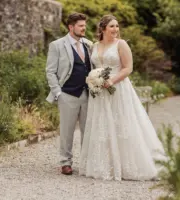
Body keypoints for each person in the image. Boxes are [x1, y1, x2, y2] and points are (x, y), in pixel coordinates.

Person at [79, 14, 165, 181]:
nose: (116, 29)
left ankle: (129, 165)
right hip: (100, 92)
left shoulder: (121, 44)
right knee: (102, 125)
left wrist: (111, 80)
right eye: (112, 26)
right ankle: (105, 164)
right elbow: (93, 66)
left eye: (117, 26)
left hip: (119, 89)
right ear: (103, 29)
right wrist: (94, 80)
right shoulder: (94, 46)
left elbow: (128, 68)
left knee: (123, 124)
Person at [45, 13, 93, 175]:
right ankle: (66, 162)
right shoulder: (57, 45)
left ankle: (87, 163)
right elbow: (50, 72)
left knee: (88, 130)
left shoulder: (88, 44)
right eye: (80, 26)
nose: (84, 28)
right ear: (71, 27)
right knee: (67, 130)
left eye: (84, 25)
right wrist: (58, 93)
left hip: (87, 94)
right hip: (67, 94)